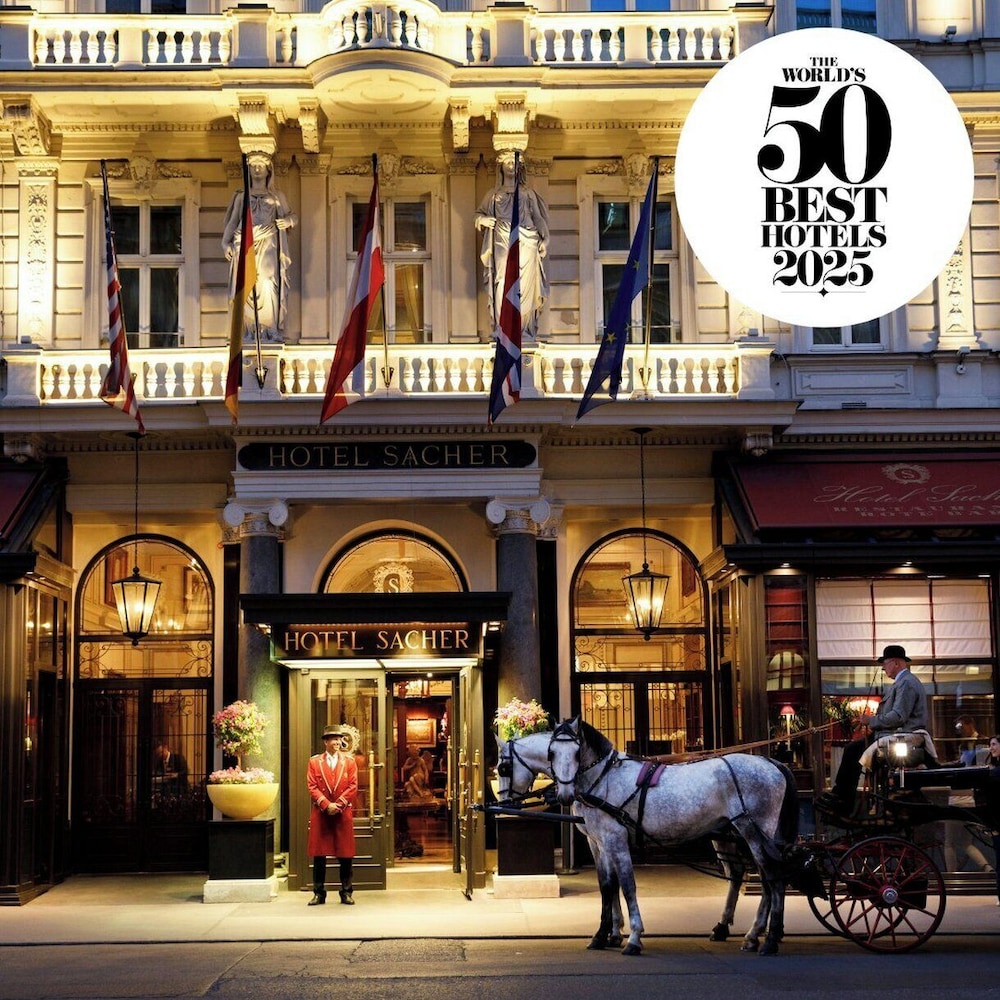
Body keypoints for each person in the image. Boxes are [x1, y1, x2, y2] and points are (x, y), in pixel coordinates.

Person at [817, 644, 931, 814]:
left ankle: (843, 799)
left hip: (900, 738)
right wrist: (871, 723)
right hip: (893, 736)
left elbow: (898, 717)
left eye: (885, 663)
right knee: (853, 749)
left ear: (896, 663)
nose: (883, 668)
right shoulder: (904, 682)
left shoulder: (906, 683)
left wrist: (871, 720)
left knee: (851, 751)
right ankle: (843, 797)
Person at [221, 152, 297, 343]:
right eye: (253, 166)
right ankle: (249, 330)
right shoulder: (242, 197)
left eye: (260, 166)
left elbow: (292, 216)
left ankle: (269, 328)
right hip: (244, 243)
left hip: (269, 240)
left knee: (269, 281)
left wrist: (287, 221)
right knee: (247, 285)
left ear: (268, 171)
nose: (257, 169)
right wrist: (225, 243)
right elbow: (232, 222)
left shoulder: (277, 196)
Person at [474, 151, 550, 340]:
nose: (511, 165)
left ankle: (523, 330)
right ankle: (505, 326)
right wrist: (483, 220)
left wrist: (545, 239)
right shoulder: (493, 195)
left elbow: (538, 218)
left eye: (514, 163)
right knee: (502, 281)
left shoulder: (527, 193)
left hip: (528, 239)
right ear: (500, 166)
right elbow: (478, 215)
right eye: (507, 162)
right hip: (502, 238)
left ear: (520, 168)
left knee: (526, 285)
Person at [306, 724, 358, 906]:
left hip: (342, 813)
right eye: (334, 739)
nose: (338, 742)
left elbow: (353, 786)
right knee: (319, 855)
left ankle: (346, 892)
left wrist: (339, 805)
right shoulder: (314, 762)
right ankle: (319, 893)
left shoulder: (350, 762)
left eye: (339, 739)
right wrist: (327, 805)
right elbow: (312, 786)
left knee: (345, 854)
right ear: (326, 742)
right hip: (321, 813)